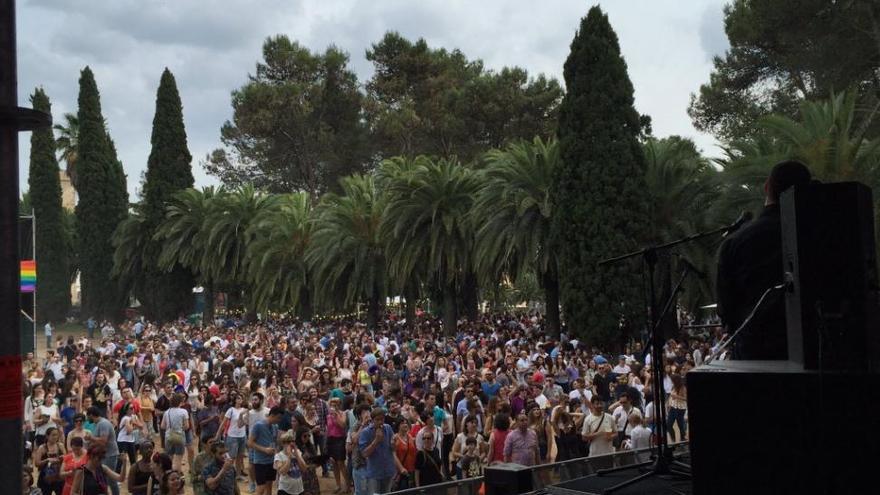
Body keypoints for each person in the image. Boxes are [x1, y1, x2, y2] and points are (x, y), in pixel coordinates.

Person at [716, 159, 812, 359]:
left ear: (767, 187)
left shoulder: (736, 242)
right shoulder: (822, 233)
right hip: (815, 352)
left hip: (755, 355)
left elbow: (726, 308)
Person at [358, 408, 406, 495]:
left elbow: (393, 449)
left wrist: (394, 444)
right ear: (372, 420)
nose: (380, 422)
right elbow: (364, 454)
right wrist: (376, 441)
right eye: (377, 420)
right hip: (374, 473)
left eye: (382, 419)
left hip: (388, 471)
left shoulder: (388, 428)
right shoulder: (366, 432)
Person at [248, 406, 284, 495]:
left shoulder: (275, 426)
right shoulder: (258, 425)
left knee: (269, 486)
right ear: (272, 415)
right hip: (260, 461)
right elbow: (250, 443)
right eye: (278, 418)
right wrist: (264, 450)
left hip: (271, 461)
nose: (279, 420)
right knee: (261, 488)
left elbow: (275, 442)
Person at [86, 407, 120, 495]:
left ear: (91, 415)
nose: (87, 418)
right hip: (104, 455)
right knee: (103, 479)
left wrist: (90, 438)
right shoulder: (97, 424)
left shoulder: (103, 424)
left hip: (110, 455)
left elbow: (103, 441)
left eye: (87, 416)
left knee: (111, 480)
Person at [581, 396, 616, 462]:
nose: (600, 406)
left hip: (609, 453)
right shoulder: (588, 419)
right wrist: (598, 433)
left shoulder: (610, 417)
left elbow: (616, 433)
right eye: (597, 404)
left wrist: (611, 437)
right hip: (595, 454)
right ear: (592, 405)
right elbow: (584, 437)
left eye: (601, 403)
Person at [160, 394, 189, 471]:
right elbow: (186, 426)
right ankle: (178, 475)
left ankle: (169, 474)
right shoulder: (184, 412)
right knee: (178, 459)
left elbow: (162, 426)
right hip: (180, 436)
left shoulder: (167, 412)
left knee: (169, 458)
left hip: (169, 436)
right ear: (180, 402)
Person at [35, 426, 66, 495]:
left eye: (57, 435)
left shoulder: (60, 445)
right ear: (47, 436)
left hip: (59, 477)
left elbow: (66, 459)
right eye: (53, 435)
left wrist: (63, 457)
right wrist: (47, 460)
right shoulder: (42, 448)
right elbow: (36, 463)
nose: (55, 437)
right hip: (46, 477)